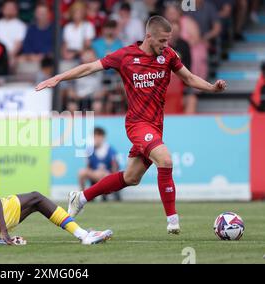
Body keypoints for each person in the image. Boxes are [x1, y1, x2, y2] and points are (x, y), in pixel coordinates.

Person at [36, 15, 227, 234]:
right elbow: (89, 68)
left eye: (168, 41)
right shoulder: (125, 56)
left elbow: (190, 78)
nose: (166, 45)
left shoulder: (169, 56)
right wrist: (58, 78)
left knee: (130, 178)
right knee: (165, 160)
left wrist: (213, 88)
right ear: (148, 36)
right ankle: (173, 221)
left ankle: (81, 197)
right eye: (162, 41)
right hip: (137, 124)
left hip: (155, 126)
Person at [78, 127, 119, 201]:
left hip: (107, 174)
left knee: (104, 175)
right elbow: (88, 167)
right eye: (95, 137)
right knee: (81, 172)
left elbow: (114, 167)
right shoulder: (89, 150)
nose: (97, 139)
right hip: (94, 173)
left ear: (103, 137)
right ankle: (83, 196)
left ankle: (104, 194)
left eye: (99, 136)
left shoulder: (110, 149)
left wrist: (111, 176)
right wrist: (94, 172)